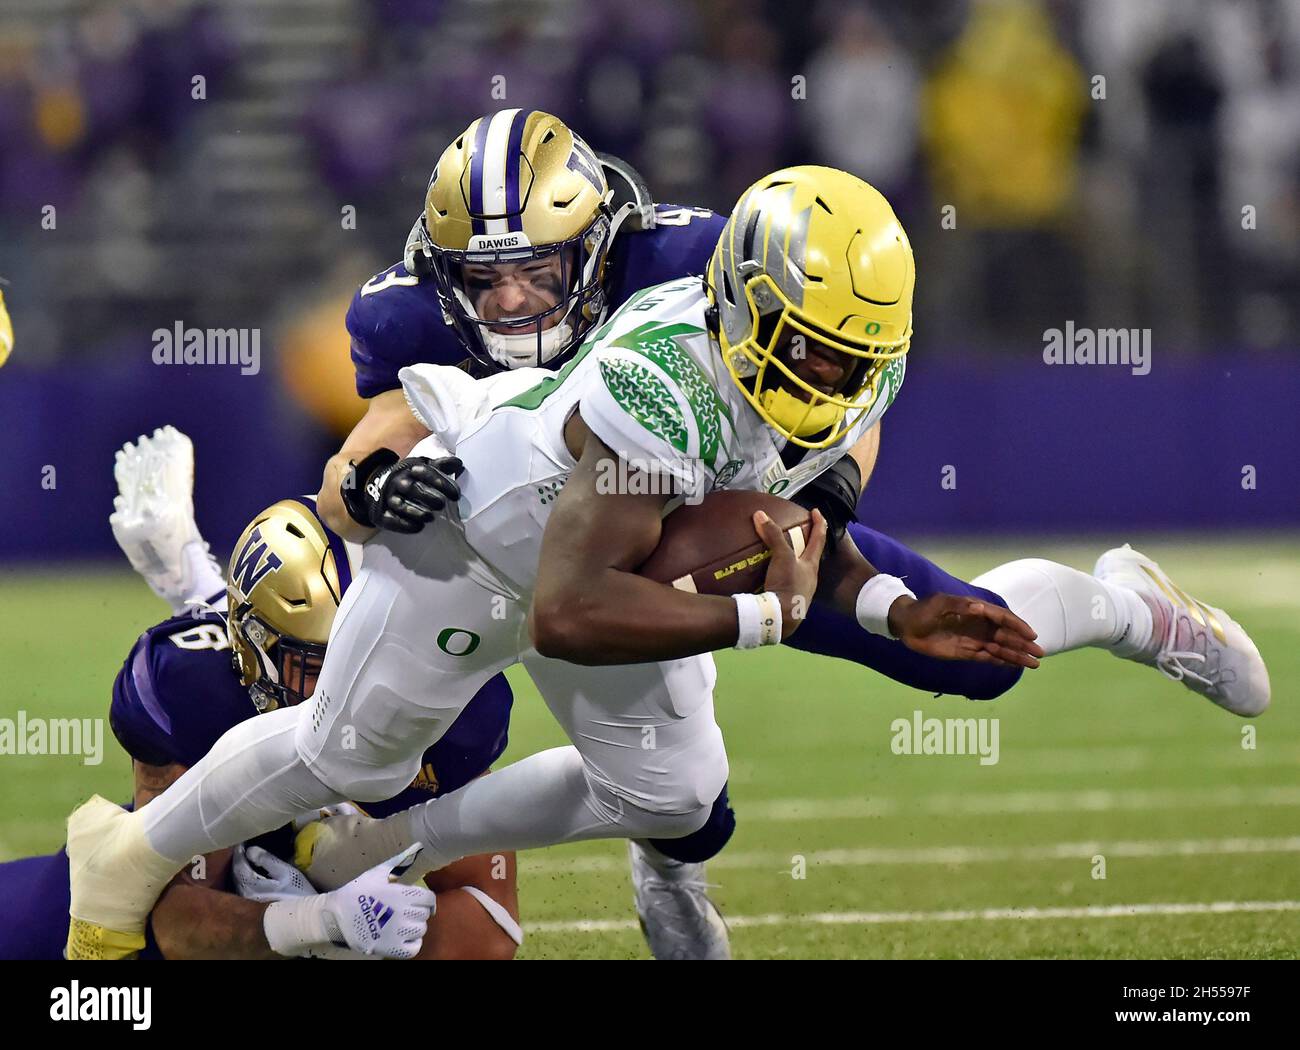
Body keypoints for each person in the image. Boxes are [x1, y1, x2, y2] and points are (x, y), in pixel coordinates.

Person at [64, 165, 1268, 961]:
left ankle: (1125, 606)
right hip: (522, 537)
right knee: (348, 748)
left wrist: (836, 535)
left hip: (691, 512)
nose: (522, 295)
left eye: (544, 267)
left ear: (606, 237)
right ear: (444, 276)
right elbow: (412, 495)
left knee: (930, 674)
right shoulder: (514, 342)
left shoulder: (713, 273)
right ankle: (142, 865)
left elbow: (838, 409)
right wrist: (369, 486)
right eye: (489, 280)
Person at [1, 435, 520, 960]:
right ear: (255, 651)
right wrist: (317, 924)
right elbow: (167, 923)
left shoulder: (453, 702)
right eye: (319, 666)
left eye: (376, 654)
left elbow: (488, 918)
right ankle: (192, 577)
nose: (351, 688)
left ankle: (193, 577)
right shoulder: (193, 687)